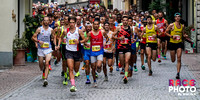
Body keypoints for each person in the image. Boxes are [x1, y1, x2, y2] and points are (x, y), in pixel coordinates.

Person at [59, 16, 85, 92]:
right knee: (70, 68)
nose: (72, 24)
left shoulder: (79, 31)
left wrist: (79, 42)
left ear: (75, 23)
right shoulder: (65, 31)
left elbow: (84, 39)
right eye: (70, 22)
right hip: (68, 51)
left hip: (77, 52)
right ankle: (73, 85)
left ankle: (74, 75)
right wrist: (58, 45)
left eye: (73, 22)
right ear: (68, 22)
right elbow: (61, 38)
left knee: (76, 69)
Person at [85, 18, 109, 87]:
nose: (96, 26)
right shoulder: (90, 33)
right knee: (93, 68)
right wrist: (86, 43)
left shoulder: (102, 32)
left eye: (97, 24)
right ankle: (94, 81)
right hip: (92, 52)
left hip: (100, 51)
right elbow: (86, 40)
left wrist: (105, 42)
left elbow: (107, 38)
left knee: (98, 65)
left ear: (99, 25)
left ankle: (99, 67)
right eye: (94, 24)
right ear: (93, 25)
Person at [32, 16, 55, 87]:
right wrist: (38, 42)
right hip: (40, 49)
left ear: (49, 21)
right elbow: (33, 37)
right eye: (44, 20)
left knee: (47, 63)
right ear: (43, 22)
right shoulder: (39, 29)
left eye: (47, 20)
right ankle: (43, 71)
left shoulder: (51, 30)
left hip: (48, 48)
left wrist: (55, 44)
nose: (46, 22)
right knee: (41, 65)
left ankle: (45, 79)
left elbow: (54, 37)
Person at [165, 13, 188, 79]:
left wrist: (185, 36)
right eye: (176, 17)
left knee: (179, 57)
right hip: (172, 43)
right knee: (173, 60)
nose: (177, 18)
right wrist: (172, 36)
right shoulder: (171, 25)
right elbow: (165, 33)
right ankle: (173, 59)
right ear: (174, 18)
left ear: (180, 18)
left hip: (179, 43)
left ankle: (178, 73)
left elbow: (183, 34)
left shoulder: (182, 26)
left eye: (179, 17)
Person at [113, 15, 134, 84]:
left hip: (128, 47)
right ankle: (124, 68)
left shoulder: (130, 28)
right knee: (122, 62)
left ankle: (125, 76)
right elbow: (113, 36)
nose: (125, 22)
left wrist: (133, 39)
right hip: (120, 47)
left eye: (126, 20)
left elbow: (132, 35)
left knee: (127, 60)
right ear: (122, 21)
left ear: (128, 21)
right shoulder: (119, 28)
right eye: (124, 20)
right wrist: (119, 38)